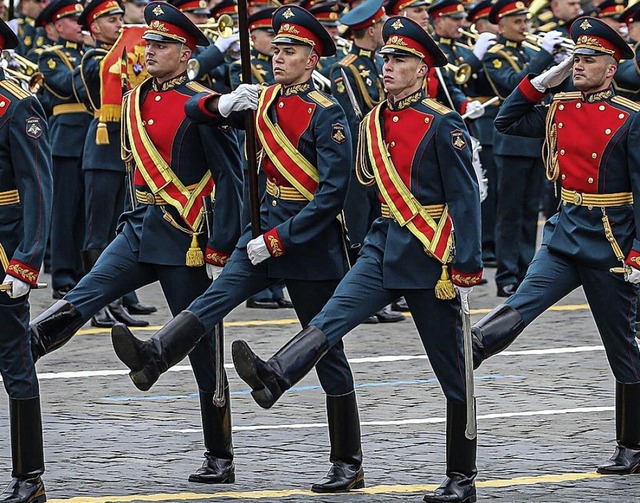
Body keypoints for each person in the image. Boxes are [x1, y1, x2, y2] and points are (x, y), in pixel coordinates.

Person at [112, 5, 365, 493]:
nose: (277, 57)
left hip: (308, 241)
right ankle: (156, 354)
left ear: (312, 60)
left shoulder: (328, 113)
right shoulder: (262, 99)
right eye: (276, 49)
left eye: (290, 51)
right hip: (264, 230)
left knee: (325, 347)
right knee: (213, 299)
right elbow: (190, 109)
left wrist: (278, 239)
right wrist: (223, 105)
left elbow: (333, 193)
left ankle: (348, 462)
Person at [231, 16, 483, 503]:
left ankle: (461, 476)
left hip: (429, 256)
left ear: (423, 69)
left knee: (453, 370)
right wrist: (356, 243)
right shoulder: (371, 121)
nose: (388, 66)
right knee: (331, 318)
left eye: (400, 60)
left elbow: (465, 198)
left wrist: (466, 265)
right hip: (382, 244)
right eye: (385, 58)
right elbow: (362, 193)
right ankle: (277, 374)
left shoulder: (442, 123)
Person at [27, 1, 244, 482]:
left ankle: (220, 454)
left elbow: (231, 181)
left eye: (162, 45)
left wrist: (220, 248)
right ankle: (25, 347)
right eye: (149, 43)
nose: (150, 51)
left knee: (202, 347)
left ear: (186, 53)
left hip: (185, 238)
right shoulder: (132, 99)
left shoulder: (203, 104)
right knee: (83, 294)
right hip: (139, 228)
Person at [472, 16, 640, 475]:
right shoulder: (560, 107)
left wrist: (638, 251)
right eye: (576, 57)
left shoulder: (630, 119)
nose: (579, 65)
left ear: (611, 68)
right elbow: (507, 121)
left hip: (610, 239)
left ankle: (633, 442)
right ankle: (474, 346)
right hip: (567, 232)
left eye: (589, 59)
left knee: (621, 344)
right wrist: (540, 81)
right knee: (524, 300)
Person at [0, 19, 53, 503]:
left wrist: (26, 262)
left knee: (14, 360)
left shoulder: (15, 106)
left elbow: (38, 188)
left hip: (2, 252)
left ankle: (28, 475)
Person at [73, 0, 151, 329]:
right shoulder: (93, 58)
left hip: (125, 151)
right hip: (103, 150)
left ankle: (114, 300)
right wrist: (129, 40)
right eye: (110, 19)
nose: (118, 23)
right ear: (93, 28)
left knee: (115, 230)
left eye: (121, 17)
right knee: (96, 229)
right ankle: (94, 304)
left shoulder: (127, 53)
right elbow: (98, 77)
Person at [331, 0, 405, 323]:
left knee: (383, 226)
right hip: (361, 159)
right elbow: (353, 117)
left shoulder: (380, 63)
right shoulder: (344, 68)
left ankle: (382, 299)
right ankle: (362, 302)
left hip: (383, 159)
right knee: (359, 232)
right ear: (372, 28)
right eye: (381, 26)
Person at [483, 0, 560, 297]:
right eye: (517, 22)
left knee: (531, 212)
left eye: (525, 21)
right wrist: (543, 57)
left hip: (535, 141)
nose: (525, 27)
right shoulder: (495, 55)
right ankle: (506, 275)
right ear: (501, 25)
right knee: (510, 212)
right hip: (511, 143)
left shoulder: (530, 54)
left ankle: (527, 269)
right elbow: (513, 86)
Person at [37, 0, 91, 300]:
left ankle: (84, 273)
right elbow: (63, 85)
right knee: (65, 212)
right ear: (58, 25)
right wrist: (95, 68)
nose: (79, 25)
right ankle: (63, 276)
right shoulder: (50, 56)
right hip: (67, 139)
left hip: (93, 139)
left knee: (87, 213)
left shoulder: (90, 54)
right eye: (72, 20)